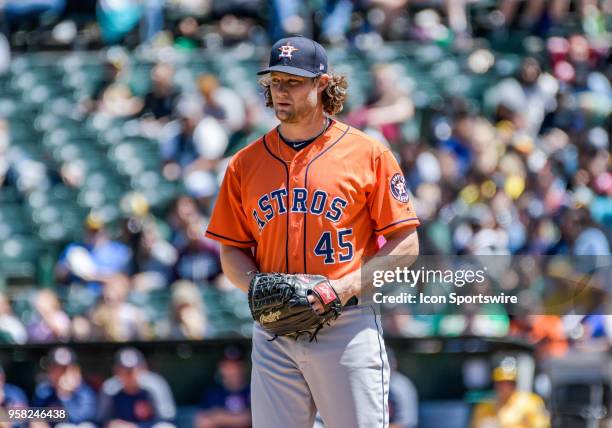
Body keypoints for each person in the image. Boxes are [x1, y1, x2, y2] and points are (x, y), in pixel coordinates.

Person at [205, 36, 420, 427]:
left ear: (322, 85)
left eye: (293, 81)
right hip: (274, 332)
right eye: (275, 81)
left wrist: (341, 288)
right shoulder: (244, 164)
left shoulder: (368, 153)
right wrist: (255, 285)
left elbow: (407, 246)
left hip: (346, 325)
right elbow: (232, 250)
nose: (281, 91)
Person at [98, 347, 176, 427]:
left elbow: (167, 419)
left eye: (132, 370)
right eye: (124, 370)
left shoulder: (155, 386)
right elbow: (101, 420)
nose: (129, 374)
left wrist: (136, 426)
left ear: (144, 368)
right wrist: (110, 424)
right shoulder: (110, 389)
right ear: (116, 371)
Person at [470, 359, 550, 428]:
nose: (505, 387)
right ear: (495, 384)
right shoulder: (484, 406)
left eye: (509, 383)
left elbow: (542, 425)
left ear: (515, 384)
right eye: (501, 383)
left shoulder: (530, 402)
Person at [32, 347, 97, 425]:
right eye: (55, 368)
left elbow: (80, 419)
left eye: (64, 369)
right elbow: (35, 416)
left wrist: (65, 396)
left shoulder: (84, 391)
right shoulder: (43, 391)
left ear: (75, 370)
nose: (59, 373)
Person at [195, 346, 251, 428]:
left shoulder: (253, 391)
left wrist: (218, 416)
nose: (233, 371)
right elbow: (202, 422)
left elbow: (252, 418)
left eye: (236, 366)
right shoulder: (212, 393)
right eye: (228, 366)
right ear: (221, 367)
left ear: (244, 367)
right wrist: (238, 418)